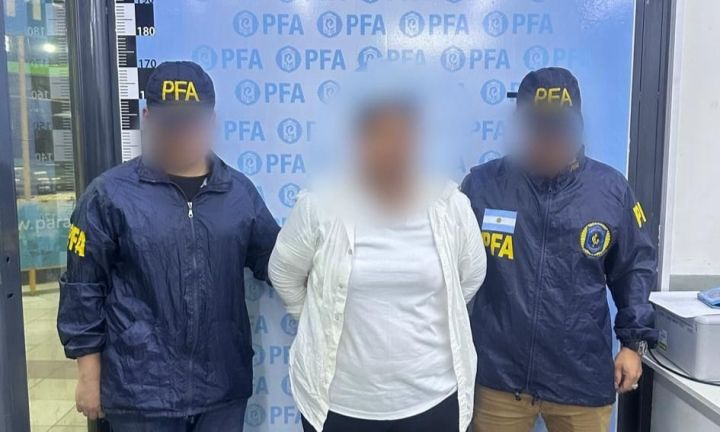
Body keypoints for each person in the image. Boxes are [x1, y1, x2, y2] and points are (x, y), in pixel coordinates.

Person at [57, 61, 279, 432]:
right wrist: (89, 376)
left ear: (211, 121)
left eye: (193, 123)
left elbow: (275, 261)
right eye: (170, 123)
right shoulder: (109, 194)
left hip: (221, 388)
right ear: (148, 118)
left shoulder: (239, 192)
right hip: (139, 393)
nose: (182, 134)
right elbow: (83, 287)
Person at [268, 99, 487, 432]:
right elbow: (283, 273)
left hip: (434, 397)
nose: (392, 149)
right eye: (381, 137)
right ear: (360, 143)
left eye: (402, 137)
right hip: (339, 403)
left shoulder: (449, 205)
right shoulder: (321, 204)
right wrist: (317, 317)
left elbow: (470, 277)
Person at [462, 67, 658, 432]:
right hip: (498, 378)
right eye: (538, 127)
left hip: (580, 378)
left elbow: (634, 267)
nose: (550, 138)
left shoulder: (610, 190)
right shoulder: (483, 186)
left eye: (560, 127)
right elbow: (452, 272)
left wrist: (633, 344)